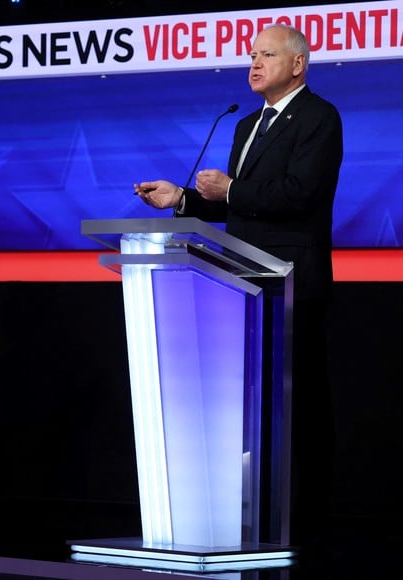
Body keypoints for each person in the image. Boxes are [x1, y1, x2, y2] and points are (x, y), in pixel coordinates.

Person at [134, 24, 342, 555]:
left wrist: (233, 189)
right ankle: (255, 520)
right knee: (252, 409)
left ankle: (312, 527)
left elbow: (299, 194)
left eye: (266, 55)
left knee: (301, 410)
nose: (253, 64)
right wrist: (182, 199)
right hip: (243, 284)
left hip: (292, 283)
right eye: (251, 55)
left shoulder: (319, 118)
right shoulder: (247, 123)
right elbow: (239, 203)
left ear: (297, 64)